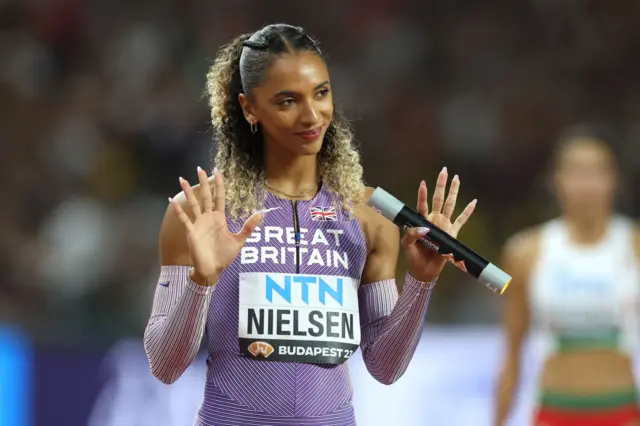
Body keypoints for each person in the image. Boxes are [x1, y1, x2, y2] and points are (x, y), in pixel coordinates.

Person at [143, 23, 478, 426]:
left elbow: (385, 368)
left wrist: (421, 282)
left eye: (321, 93)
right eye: (287, 101)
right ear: (249, 108)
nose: (311, 115)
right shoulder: (199, 211)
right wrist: (201, 279)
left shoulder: (369, 215)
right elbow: (165, 366)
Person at [494, 126, 640, 426]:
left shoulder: (635, 246)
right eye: (576, 171)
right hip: (553, 413)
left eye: (596, 172)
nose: (586, 184)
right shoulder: (526, 253)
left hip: (623, 413)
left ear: (614, 180)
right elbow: (511, 354)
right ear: (556, 181)